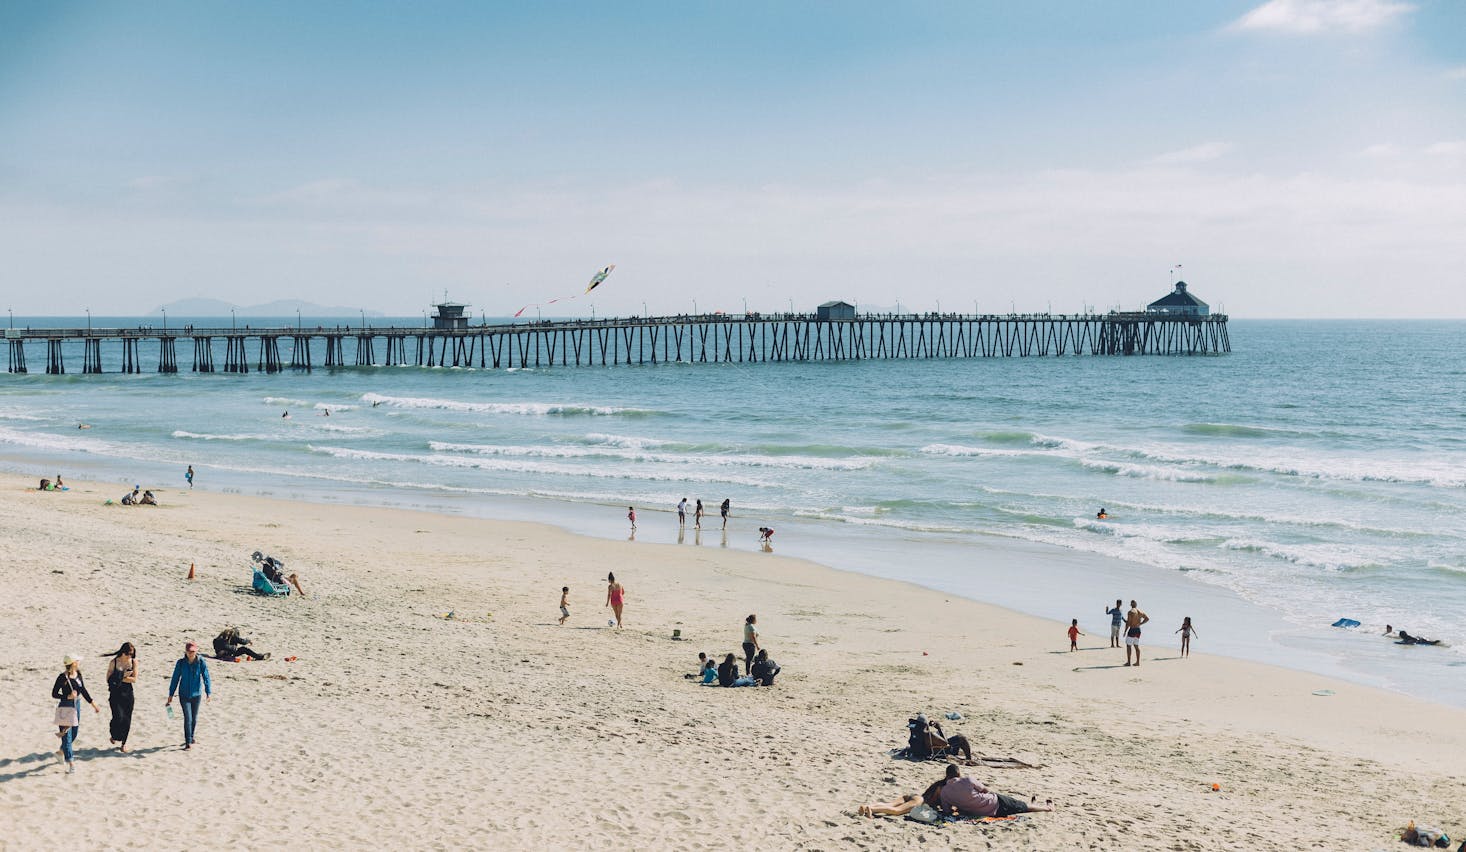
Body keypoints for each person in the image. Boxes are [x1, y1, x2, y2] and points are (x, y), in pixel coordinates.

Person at [938, 764, 1051, 817]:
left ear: (947, 776)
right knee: (1020, 805)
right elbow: (986, 790)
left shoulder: (944, 792)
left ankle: (1033, 805)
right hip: (995, 803)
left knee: (1020, 806)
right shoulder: (967, 780)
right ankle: (1048, 808)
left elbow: (947, 811)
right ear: (958, 774)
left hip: (977, 812)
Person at [53, 655, 101, 773]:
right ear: (73, 663)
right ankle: (71, 764)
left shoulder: (78, 674)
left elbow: (83, 689)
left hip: (76, 705)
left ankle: (60, 752)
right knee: (66, 735)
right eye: (77, 660)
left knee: (74, 734)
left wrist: (93, 703)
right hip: (65, 707)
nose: (79, 662)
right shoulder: (62, 677)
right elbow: (54, 693)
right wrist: (67, 696)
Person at [167, 641, 213, 749]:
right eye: (189, 651)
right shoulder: (181, 663)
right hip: (184, 694)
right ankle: (188, 741)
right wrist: (171, 694)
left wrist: (208, 692)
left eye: (193, 651)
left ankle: (191, 736)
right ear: (186, 652)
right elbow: (175, 678)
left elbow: (206, 676)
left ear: (196, 651)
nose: (191, 653)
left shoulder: (201, 661)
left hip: (197, 694)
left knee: (194, 718)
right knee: (188, 718)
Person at [104, 642, 138, 752]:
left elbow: (134, 679)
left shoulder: (133, 662)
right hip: (115, 693)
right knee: (118, 717)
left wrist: (118, 678)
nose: (130, 656)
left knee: (127, 719)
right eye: (128, 654)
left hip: (128, 693)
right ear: (123, 653)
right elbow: (108, 679)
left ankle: (124, 743)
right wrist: (123, 676)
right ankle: (114, 735)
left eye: (132, 654)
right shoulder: (114, 662)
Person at [1124, 600, 1150, 667]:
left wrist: (1125, 631)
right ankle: (1137, 662)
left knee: (1128, 646)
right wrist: (1140, 624)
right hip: (1138, 630)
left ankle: (1129, 662)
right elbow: (1147, 619)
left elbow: (1128, 623)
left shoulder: (1130, 612)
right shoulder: (1140, 612)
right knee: (1136, 646)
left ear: (1131, 605)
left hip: (1132, 630)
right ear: (1136, 605)